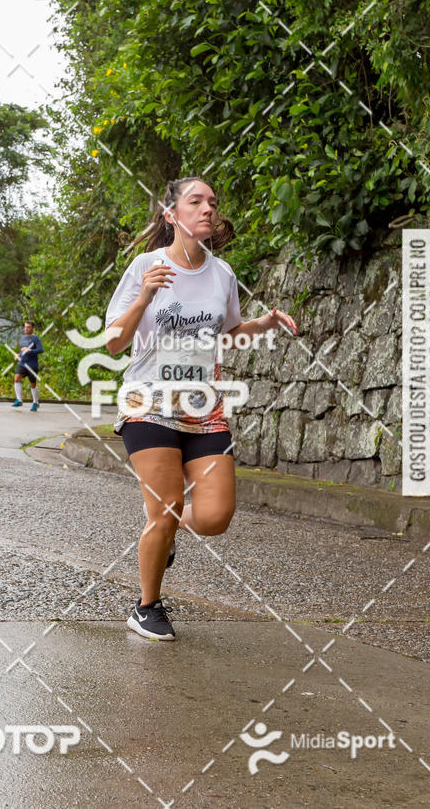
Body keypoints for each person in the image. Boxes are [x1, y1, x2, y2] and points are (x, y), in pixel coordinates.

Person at [104, 177, 298, 641]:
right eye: (196, 202)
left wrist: (265, 322)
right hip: (147, 401)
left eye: (212, 202)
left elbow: (228, 333)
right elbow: (114, 343)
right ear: (172, 214)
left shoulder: (223, 273)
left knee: (214, 518)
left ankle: (166, 532)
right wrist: (146, 295)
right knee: (165, 506)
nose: (208, 209)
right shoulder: (145, 266)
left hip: (202, 405)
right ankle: (147, 605)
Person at [12, 320, 43, 410]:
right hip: (22, 363)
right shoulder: (22, 338)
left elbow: (40, 350)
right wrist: (18, 355)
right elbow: (22, 350)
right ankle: (19, 400)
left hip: (32, 365)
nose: (26, 329)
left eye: (28, 327)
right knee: (16, 378)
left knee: (32, 384)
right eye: (25, 327)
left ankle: (35, 402)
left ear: (33, 328)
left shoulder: (36, 338)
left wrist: (30, 350)